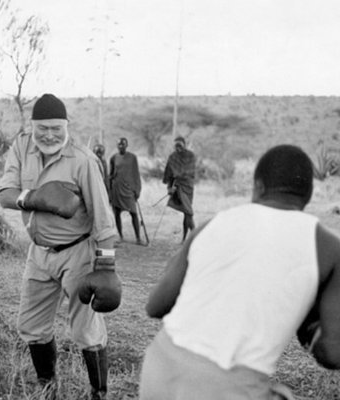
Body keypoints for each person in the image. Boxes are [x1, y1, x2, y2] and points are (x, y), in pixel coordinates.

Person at [139, 144, 340, 400]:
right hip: (228, 384)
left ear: (257, 186)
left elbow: (154, 306)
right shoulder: (329, 247)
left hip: (161, 366)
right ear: (308, 195)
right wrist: (307, 326)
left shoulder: (214, 223)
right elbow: (333, 354)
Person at [0, 93, 121, 400]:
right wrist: (34, 197)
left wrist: (106, 267)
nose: (49, 134)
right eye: (43, 128)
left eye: (56, 128)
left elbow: (104, 221)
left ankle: (98, 393)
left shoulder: (83, 160)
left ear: (66, 126)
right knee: (31, 325)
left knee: (85, 331)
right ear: (32, 126)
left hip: (77, 252)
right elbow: (5, 195)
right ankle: (48, 389)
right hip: (39, 252)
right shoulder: (22, 146)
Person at [162, 136, 196, 242]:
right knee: (187, 212)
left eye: (180, 146)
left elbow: (189, 171)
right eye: (176, 146)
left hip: (188, 186)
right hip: (177, 187)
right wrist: (169, 187)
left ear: (184, 145)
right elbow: (168, 172)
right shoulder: (172, 157)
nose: (178, 148)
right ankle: (189, 238)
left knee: (188, 213)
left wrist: (178, 177)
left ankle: (190, 237)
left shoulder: (191, 156)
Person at [109, 137, 142, 244]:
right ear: (116, 145)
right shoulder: (113, 158)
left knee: (134, 213)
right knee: (117, 213)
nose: (121, 146)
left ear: (126, 145)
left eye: (123, 144)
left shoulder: (132, 157)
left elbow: (136, 174)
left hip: (128, 189)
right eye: (119, 144)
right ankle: (121, 236)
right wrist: (109, 192)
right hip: (117, 189)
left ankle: (138, 238)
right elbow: (110, 175)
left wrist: (137, 190)